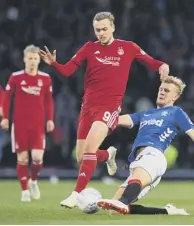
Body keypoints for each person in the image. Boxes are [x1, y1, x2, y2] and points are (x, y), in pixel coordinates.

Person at [39, 11, 170, 208]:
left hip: (109, 108)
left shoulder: (127, 48)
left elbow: (151, 62)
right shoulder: (89, 48)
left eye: (104, 29)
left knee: (90, 149)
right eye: (97, 30)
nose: (101, 33)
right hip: (88, 107)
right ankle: (108, 155)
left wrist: (163, 65)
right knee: (82, 157)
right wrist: (54, 64)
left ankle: (77, 193)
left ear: (113, 27)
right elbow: (67, 71)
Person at [97, 76, 194, 215]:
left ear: (175, 96)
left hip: (153, 156)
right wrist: (102, 112)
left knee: (124, 196)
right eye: (161, 89)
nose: (162, 92)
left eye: (167, 91)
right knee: (116, 210)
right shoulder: (146, 114)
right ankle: (167, 211)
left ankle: (121, 202)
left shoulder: (176, 112)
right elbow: (115, 120)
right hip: (141, 161)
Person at [1, 45, 54, 202]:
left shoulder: (45, 78)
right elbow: (6, 98)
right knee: (22, 159)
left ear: (39, 60)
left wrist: (50, 119)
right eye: (29, 58)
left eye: (35, 59)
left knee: (37, 159)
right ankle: (24, 191)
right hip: (20, 124)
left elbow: (49, 101)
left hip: (38, 124)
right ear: (24, 59)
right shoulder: (16, 77)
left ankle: (33, 180)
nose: (32, 61)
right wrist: (5, 117)